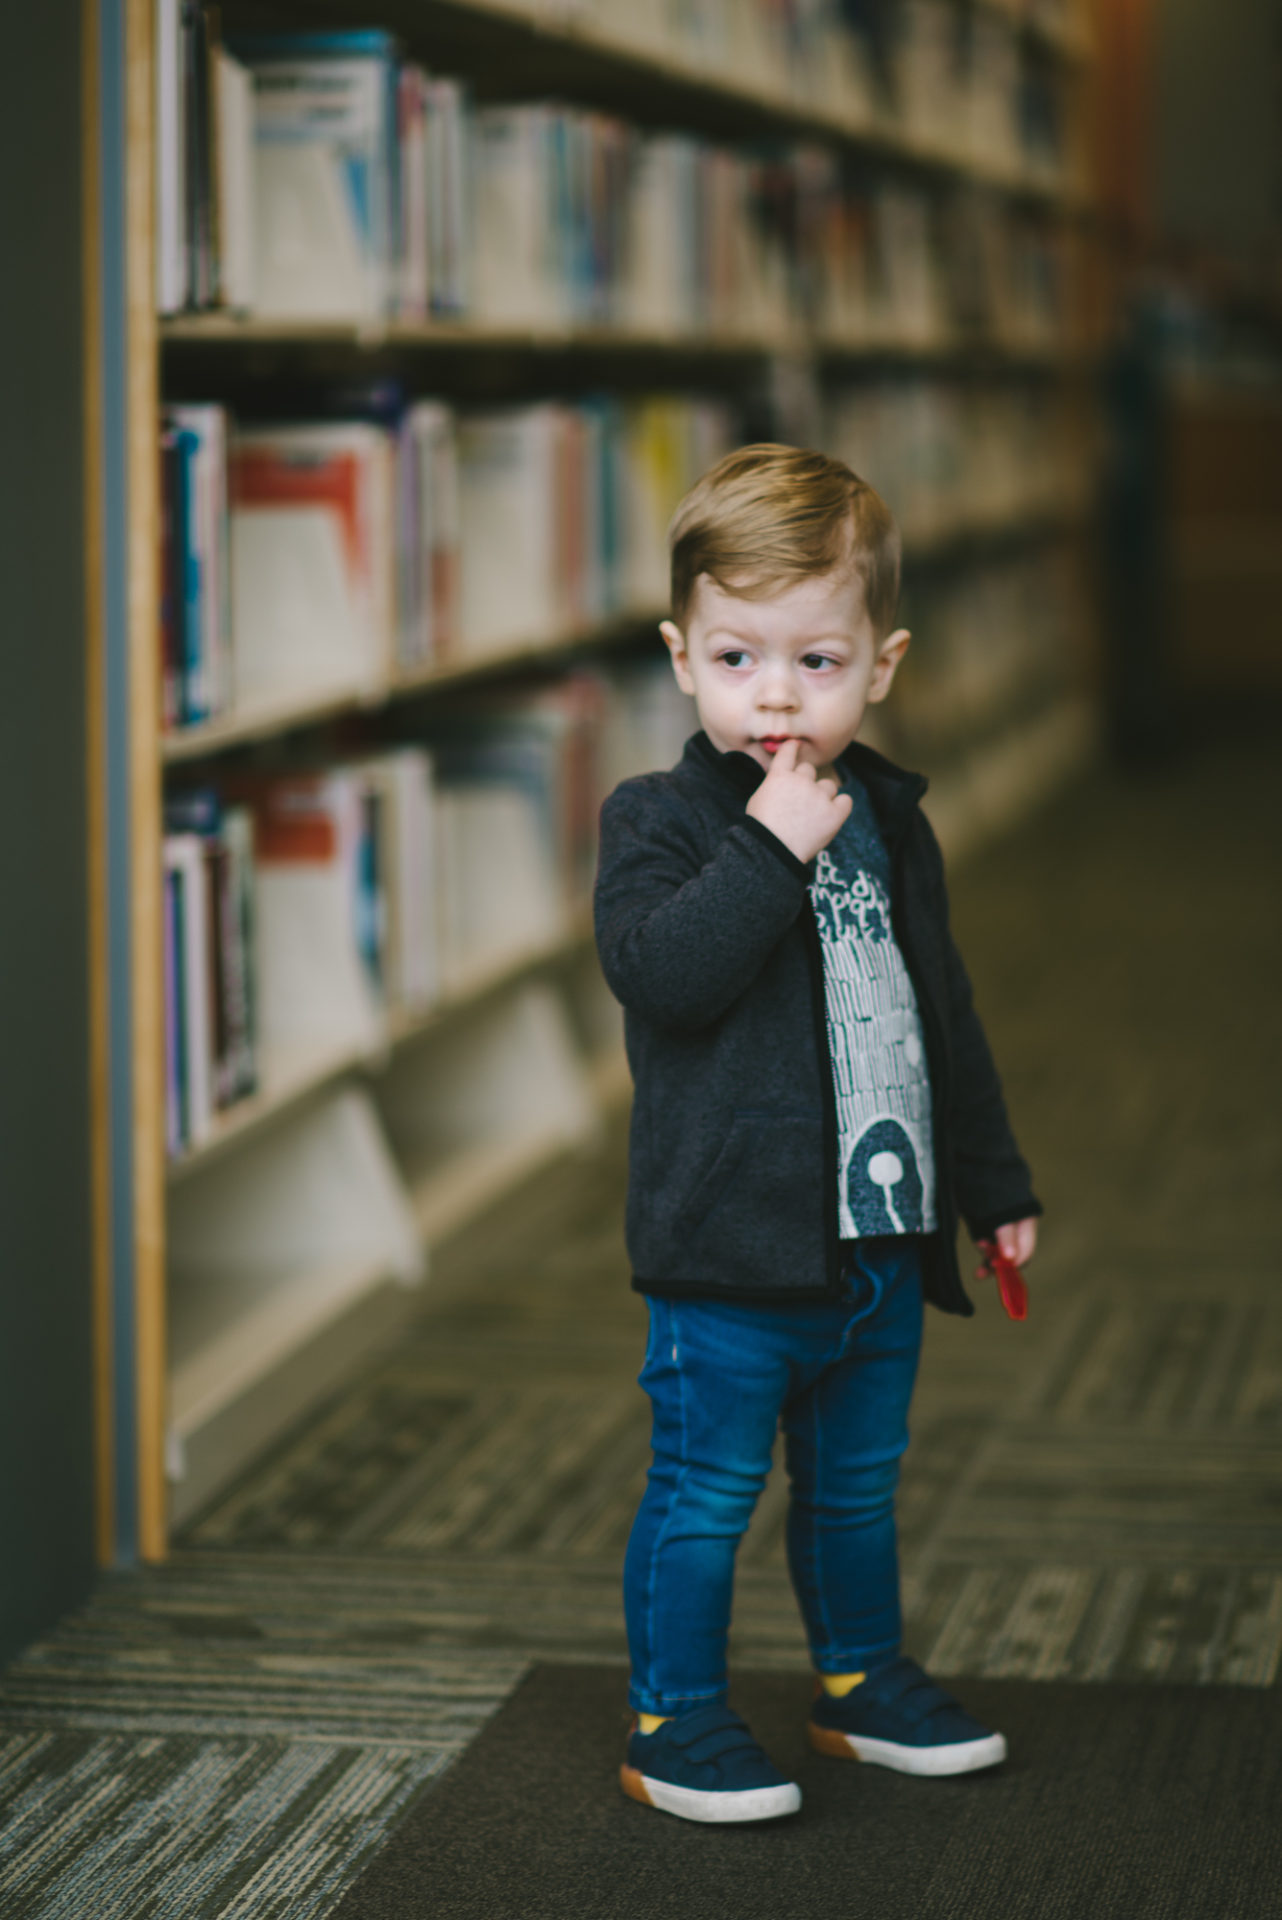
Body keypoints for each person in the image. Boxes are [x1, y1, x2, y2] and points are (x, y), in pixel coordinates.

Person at [593, 443, 1041, 1825]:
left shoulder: (894, 825)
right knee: (705, 1493)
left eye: (817, 662)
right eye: (736, 658)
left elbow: (939, 1018)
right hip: (727, 1254)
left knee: (854, 1490)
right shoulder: (658, 823)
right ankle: (674, 1714)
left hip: (875, 1241)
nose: (776, 696)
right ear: (680, 658)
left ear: (882, 665)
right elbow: (664, 980)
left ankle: (856, 1683)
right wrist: (770, 846)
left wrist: (991, 1181)